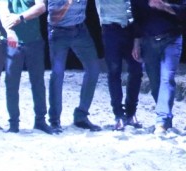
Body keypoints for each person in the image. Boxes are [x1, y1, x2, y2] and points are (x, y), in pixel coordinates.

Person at [45, 0, 102, 132]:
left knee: (93, 68)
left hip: (80, 29)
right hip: (58, 31)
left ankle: (81, 115)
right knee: (57, 74)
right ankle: (54, 119)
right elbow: (53, 18)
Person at [0, 0, 55, 133]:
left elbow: (41, 7)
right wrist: (10, 32)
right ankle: (13, 123)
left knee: (38, 82)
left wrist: (20, 17)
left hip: (34, 40)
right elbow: (3, 12)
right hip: (12, 41)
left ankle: (40, 120)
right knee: (12, 83)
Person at [133, 0, 184, 136]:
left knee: (167, 78)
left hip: (172, 39)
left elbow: (184, 11)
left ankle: (161, 120)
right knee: (155, 83)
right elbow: (136, 17)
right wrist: (136, 43)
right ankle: (166, 119)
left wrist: (164, 6)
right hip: (148, 42)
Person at [98, 0, 143, 131]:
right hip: (110, 29)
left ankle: (131, 112)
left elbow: (137, 8)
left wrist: (137, 39)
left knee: (136, 70)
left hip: (131, 28)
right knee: (114, 72)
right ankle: (118, 115)